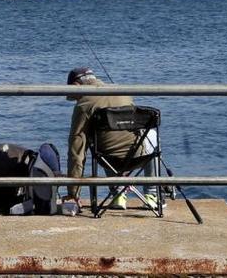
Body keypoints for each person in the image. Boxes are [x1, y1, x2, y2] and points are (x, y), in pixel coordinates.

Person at [63, 67, 160, 212]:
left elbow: (76, 152)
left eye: (73, 96)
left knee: (98, 141)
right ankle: (152, 194)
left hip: (108, 159)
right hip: (139, 156)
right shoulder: (122, 92)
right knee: (150, 134)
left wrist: (73, 192)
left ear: (76, 86)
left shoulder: (83, 105)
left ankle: (118, 193)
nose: (75, 100)